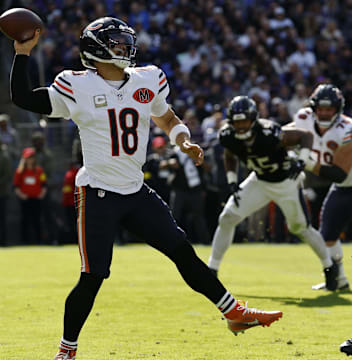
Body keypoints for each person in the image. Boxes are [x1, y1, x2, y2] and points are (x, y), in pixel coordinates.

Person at [10, 18, 282, 360]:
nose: (125, 48)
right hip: (98, 193)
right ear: (97, 48)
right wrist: (22, 52)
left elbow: (167, 118)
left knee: (181, 249)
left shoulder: (146, 79)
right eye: (117, 42)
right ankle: (67, 350)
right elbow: (22, 98)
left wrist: (183, 140)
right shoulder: (76, 86)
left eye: (125, 42)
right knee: (93, 275)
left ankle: (233, 312)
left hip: (136, 191)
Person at [207, 96, 337, 291]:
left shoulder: (269, 132)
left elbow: (305, 137)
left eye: (244, 121)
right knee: (227, 217)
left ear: (253, 119)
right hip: (259, 181)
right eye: (237, 122)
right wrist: (232, 180)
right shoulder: (228, 135)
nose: (241, 126)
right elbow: (230, 154)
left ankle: (330, 267)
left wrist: (301, 160)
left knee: (301, 229)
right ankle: (212, 270)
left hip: (286, 184)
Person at [293, 84, 352, 291]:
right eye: (320, 109)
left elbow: (340, 172)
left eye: (328, 109)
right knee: (328, 235)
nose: (323, 113)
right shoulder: (303, 119)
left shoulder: (347, 128)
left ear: (337, 109)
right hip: (341, 188)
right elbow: (286, 137)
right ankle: (339, 280)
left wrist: (305, 162)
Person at [13, 147, 47, 244]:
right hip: (25, 200)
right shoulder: (20, 171)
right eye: (28, 157)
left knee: (37, 220)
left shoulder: (39, 170)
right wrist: (21, 195)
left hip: (37, 199)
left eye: (32, 157)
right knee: (25, 220)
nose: (30, 160)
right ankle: (24, 241)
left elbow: (44, 184)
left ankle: (39, 241)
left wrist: (42, 194)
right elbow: (15, 186)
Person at [0, 137, 11, 246]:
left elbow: (7, 174)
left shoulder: (4, 156)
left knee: (2, 218)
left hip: (2, 192)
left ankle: (3, 241)